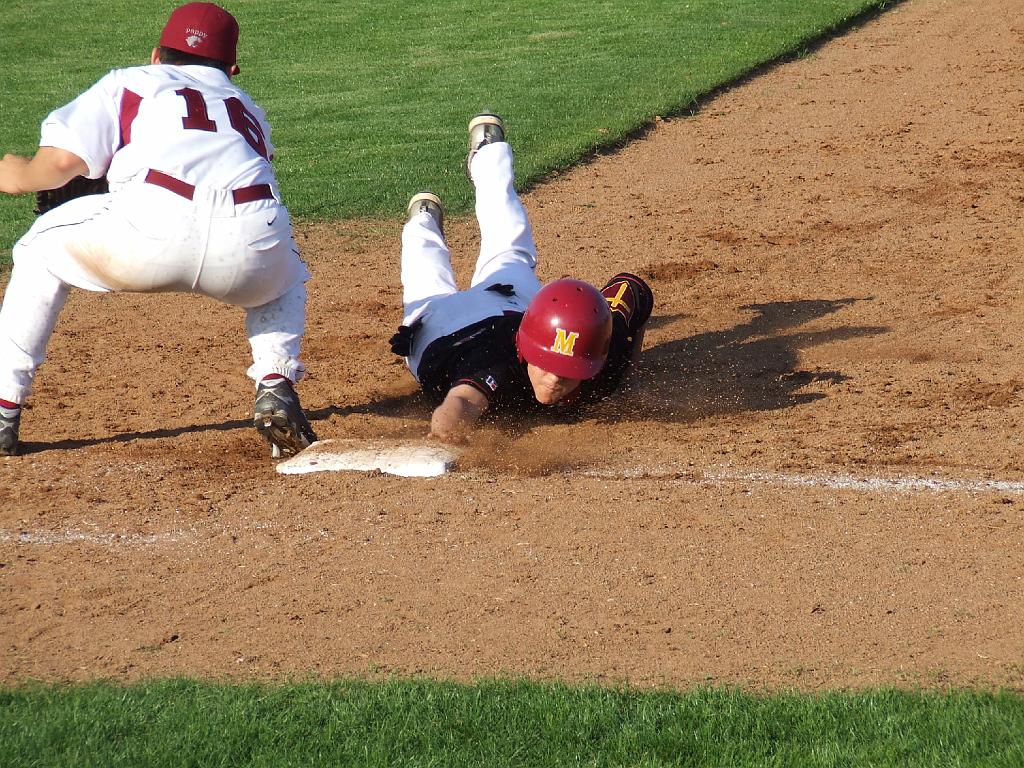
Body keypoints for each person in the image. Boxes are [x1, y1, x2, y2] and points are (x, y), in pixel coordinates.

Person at [0, 2, 317, 458]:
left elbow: (61, 165)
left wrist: (17, 174)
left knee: (38, 249)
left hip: (150, 233)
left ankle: (5, 406)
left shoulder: (130, 81)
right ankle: (275, 382)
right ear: (232, 69)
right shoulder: (246, 106)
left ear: (155, 55)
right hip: (251, 239)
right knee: (285, 278)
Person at [391, 114, 654, 442]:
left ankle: (483, 156)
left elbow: (632, 289)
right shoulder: (494, 365)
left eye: (569, 371)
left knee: (511, 246)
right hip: (445, 327)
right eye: (546, 364)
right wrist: (448, 431)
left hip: (517, 303)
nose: (555, 379)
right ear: (527, 349)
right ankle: (423, 221)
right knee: (426, 288)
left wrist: (629, 369)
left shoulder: (605, 353)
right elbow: (460, 404)